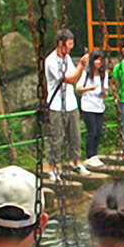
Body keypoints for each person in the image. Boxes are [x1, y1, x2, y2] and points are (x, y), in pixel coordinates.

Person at [45, 28, 90, 179]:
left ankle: (76, 162)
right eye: (69, 44)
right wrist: (82, 65)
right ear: (60, 43)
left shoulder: (68, 58)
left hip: (71, 104)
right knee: (56, 137)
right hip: (56, 105)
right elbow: (68, 79)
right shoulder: (51, 61)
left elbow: (75, 78)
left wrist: (80, 67)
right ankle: (52, 167)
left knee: (75, 135)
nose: (71, 47)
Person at [76, 49, 108, 167]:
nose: (98, 62)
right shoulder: (85, 73)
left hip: (99, 106)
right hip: (88, 106)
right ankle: (89, 155)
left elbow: (105, 89)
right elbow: (78, 88)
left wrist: (104, 93)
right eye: (96, 60)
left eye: (101, 60)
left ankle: (95, 154)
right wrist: (89, 89)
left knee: (99, 131)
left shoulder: (104, 74)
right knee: (92, 131)